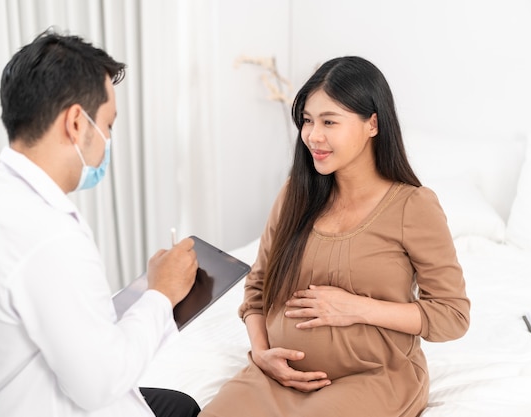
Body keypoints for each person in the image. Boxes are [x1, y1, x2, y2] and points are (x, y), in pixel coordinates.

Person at [0, 29, 201, 417]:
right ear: (77, 122)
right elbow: (101, 384)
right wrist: (160, 294)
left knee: (179, 405)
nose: (108, 139)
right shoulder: (47, 233)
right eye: (108, 126)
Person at [199, 56, 470, 417]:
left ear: (372, 123)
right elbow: (258, 288)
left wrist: (355, 308)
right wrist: (262, 353)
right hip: (277, 377)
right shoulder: (295, 194)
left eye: (330, 121)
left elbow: (452, 315)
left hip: (372, 378)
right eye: (308, 121)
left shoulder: (413, 206)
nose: (313, 135)